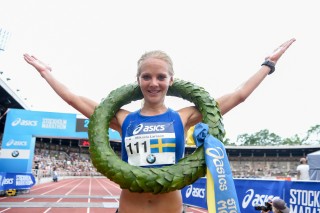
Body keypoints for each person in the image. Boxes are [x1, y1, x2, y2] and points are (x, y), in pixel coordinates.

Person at [23, 38, 295, 213]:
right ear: (138, 80)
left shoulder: (184, 116)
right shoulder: (123, 118)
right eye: (147, 76)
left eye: (160, 77)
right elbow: (73, 98)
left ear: (171, 81)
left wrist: (268, 64)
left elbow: (238, 95)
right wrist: (46, 72)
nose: (154, 82)